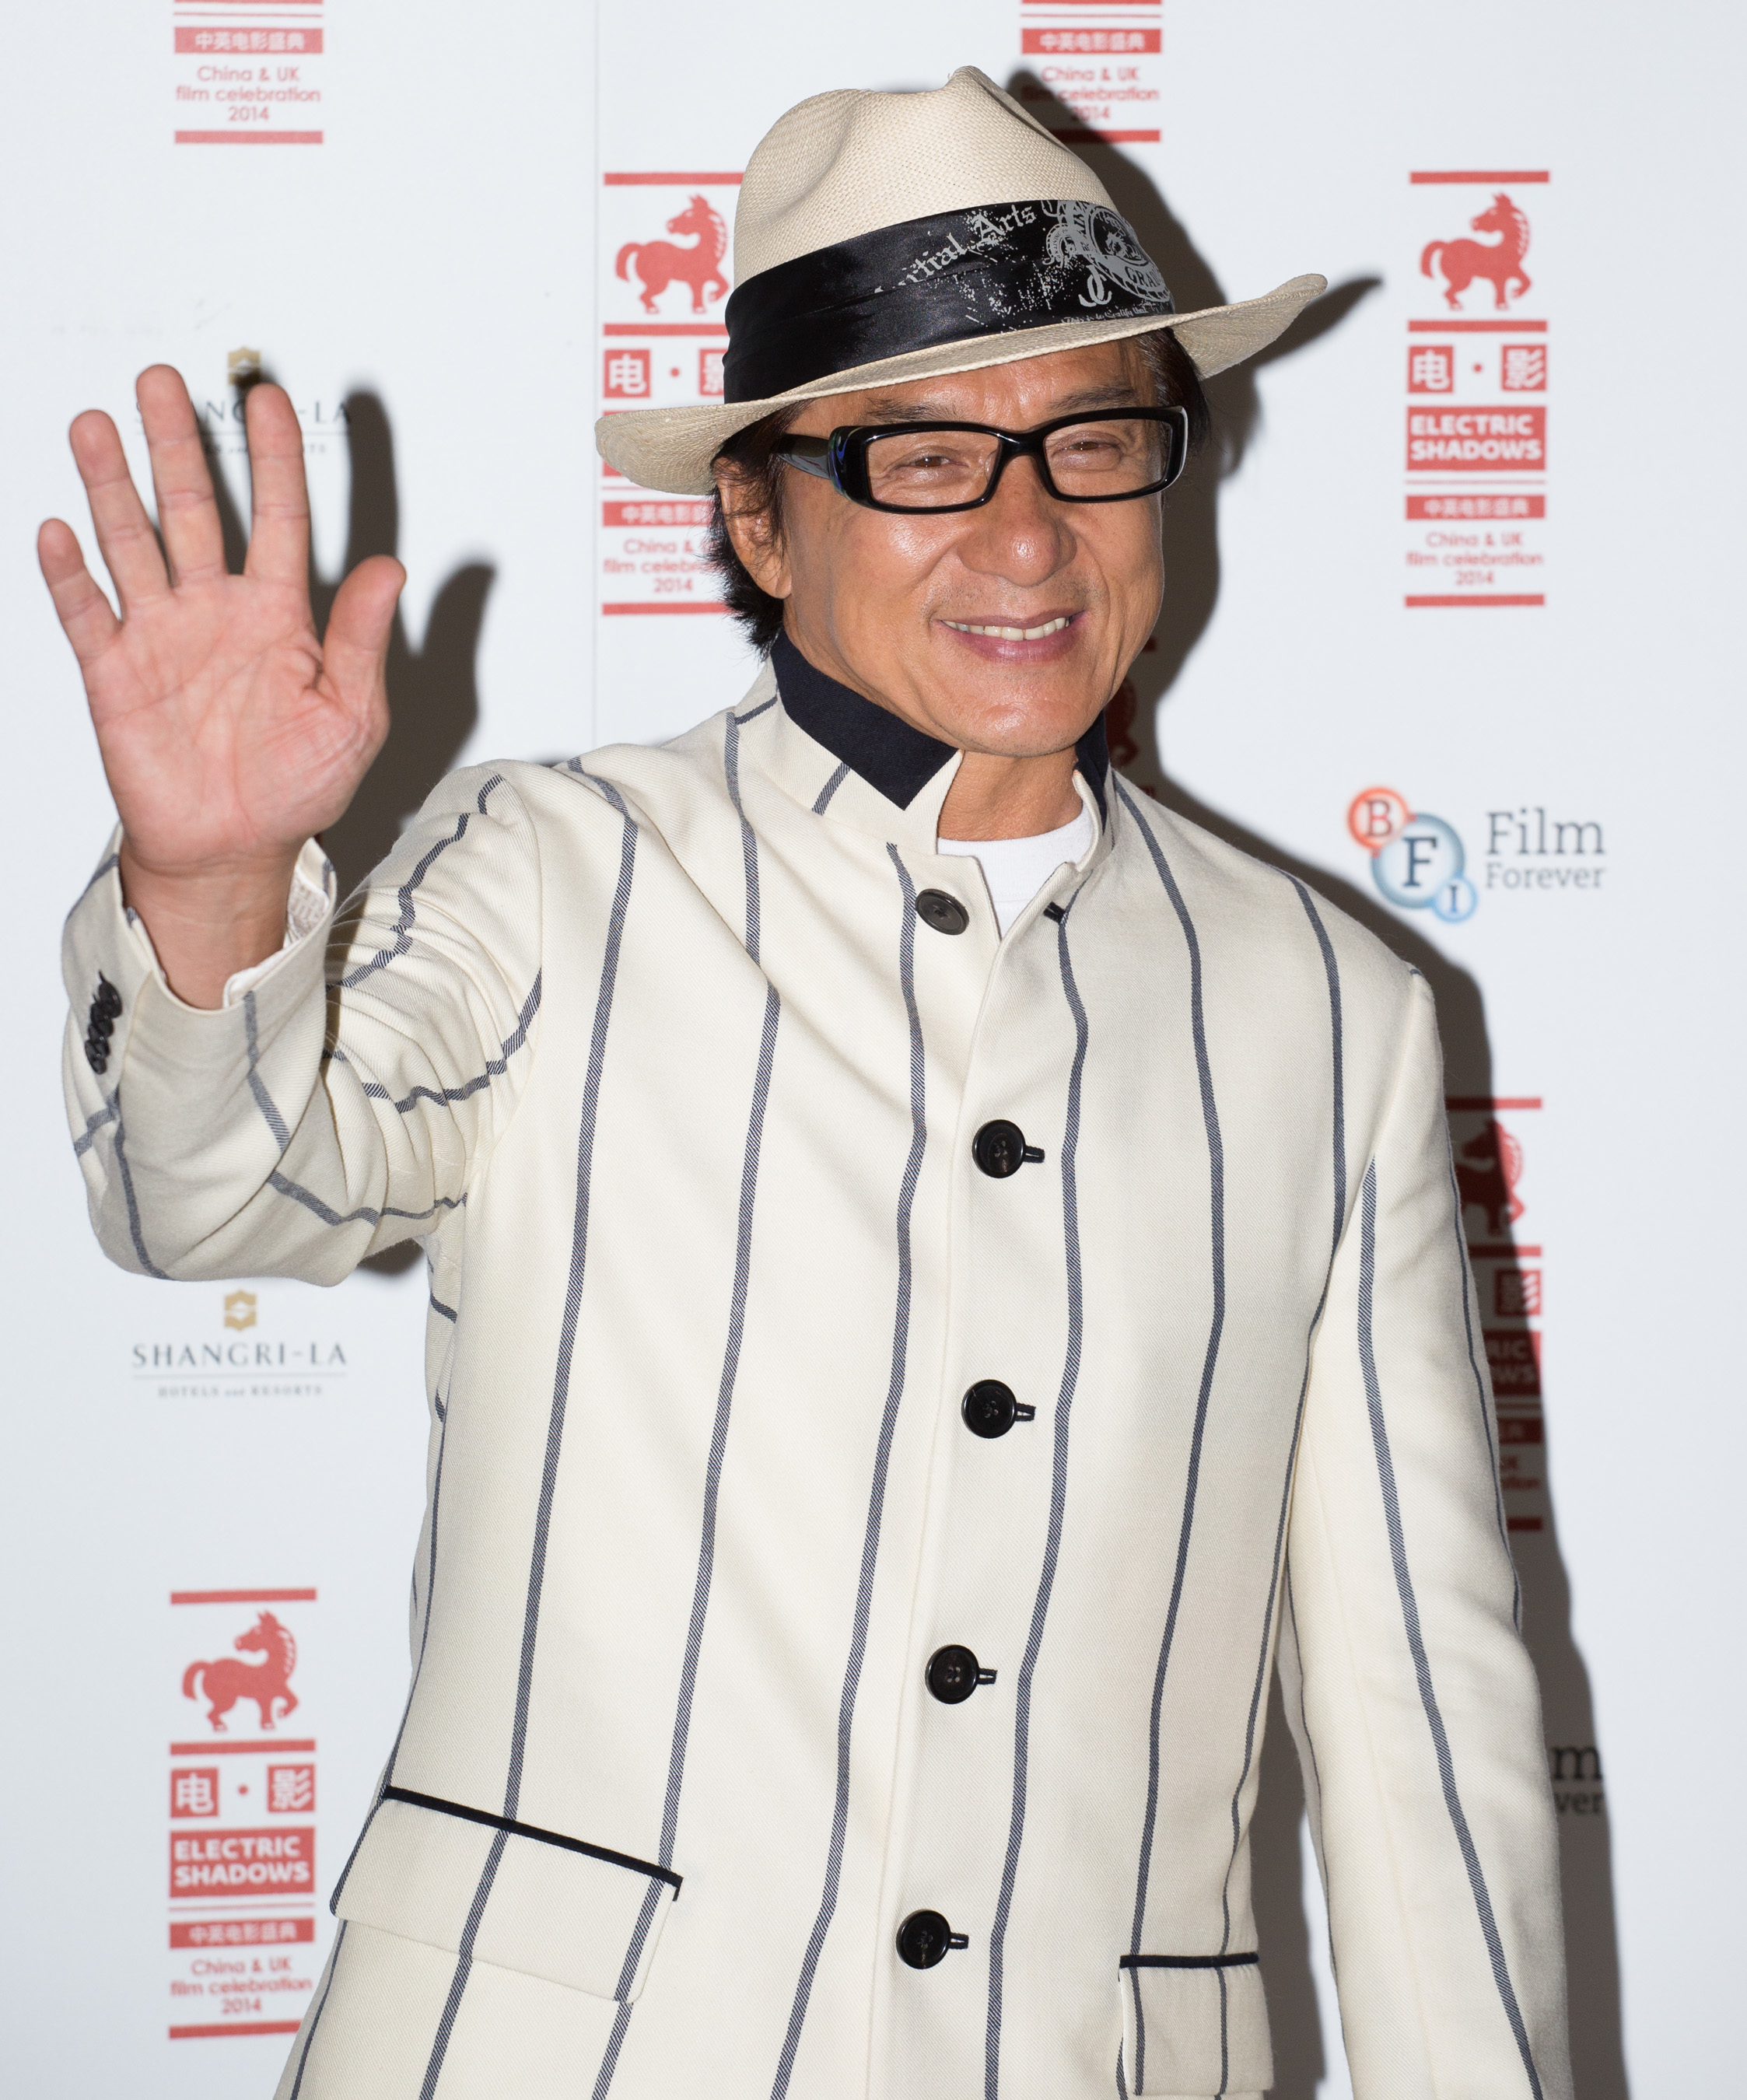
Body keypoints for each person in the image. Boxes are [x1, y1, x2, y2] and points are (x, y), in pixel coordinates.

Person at [44, 67, 1570, 2100]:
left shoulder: (1334, 1012)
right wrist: (215, 882)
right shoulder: (559, 872)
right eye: (927, 454)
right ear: (759, 513)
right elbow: (212, 1189)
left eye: (1096, 439)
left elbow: (1423, 1728)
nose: (1029, 531)